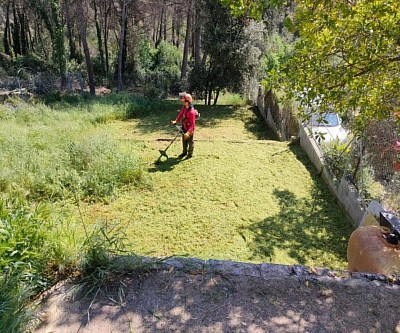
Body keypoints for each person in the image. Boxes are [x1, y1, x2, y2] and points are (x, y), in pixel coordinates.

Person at [171, 93, 196, 159]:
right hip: (184, 127)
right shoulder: (184, 108)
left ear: (187, 101)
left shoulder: (192, 112)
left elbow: (193, 125)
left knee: (190, 142)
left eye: (183, 101)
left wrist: (188, 133)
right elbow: (181, 114)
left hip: (189, 130)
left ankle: (190, 154)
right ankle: (184, 152)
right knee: (184, 141)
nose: (182, 102)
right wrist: (176, 121)